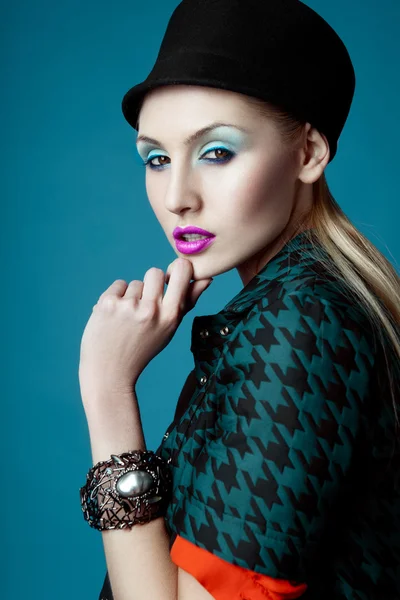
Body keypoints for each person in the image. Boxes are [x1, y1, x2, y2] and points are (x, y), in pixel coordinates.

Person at [78, 1, 400, 599]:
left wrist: (106, 389)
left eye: (216, 151)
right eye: (157, 158)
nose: (177, 197)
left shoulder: (303, 325)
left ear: (308, 153)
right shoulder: (297, 307)